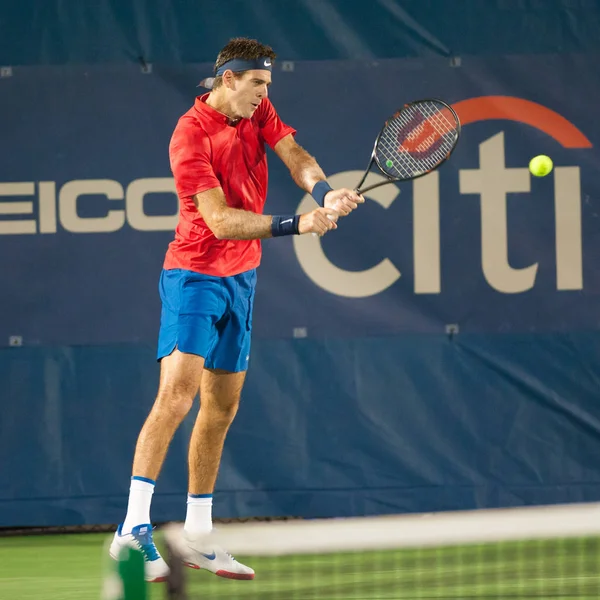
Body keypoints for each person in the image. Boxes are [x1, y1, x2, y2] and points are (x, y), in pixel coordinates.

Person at [109, 37, 364, 582]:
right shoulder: (189, 134)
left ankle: (198, 533)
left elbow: (293, 152)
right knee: (176, 398)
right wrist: (299, 224)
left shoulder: (258, 107)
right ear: (227, 79)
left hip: (242, 279)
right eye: (256, 84)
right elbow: (221, 222)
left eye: (267, 86)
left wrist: (322, 191)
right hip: (195, 276)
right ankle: (132, 530)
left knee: (220, 408)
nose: (264, 96)